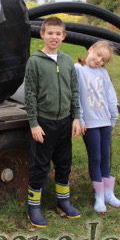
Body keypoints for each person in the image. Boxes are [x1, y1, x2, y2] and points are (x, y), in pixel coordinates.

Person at [24, 16, 81, 227]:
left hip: (65, 121)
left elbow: (74, 90)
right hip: (44, 123)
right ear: (42, 35)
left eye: (58, 34)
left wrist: (76, 117)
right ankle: (34, 206)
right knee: (40, 165)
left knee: (64, 162)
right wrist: (33, 123)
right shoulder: (35, 62)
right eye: (50, 33)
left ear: (64, 36)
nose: (54, 37)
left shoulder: (67, 61)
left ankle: (63, 201)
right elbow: (29, 94)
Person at [75, 40, 120, 214]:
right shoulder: (78, 70)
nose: (98, 60)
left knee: (106, 157)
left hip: (105, 121)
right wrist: (80, 119)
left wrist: (114, 116)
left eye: (102, 59)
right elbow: (76, 96)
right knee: (95, 157)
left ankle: (109, 194)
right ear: (90, 49)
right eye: (97, 55)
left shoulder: (103, 73)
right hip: (90, 123)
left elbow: (110, 95)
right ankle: (98, 196)